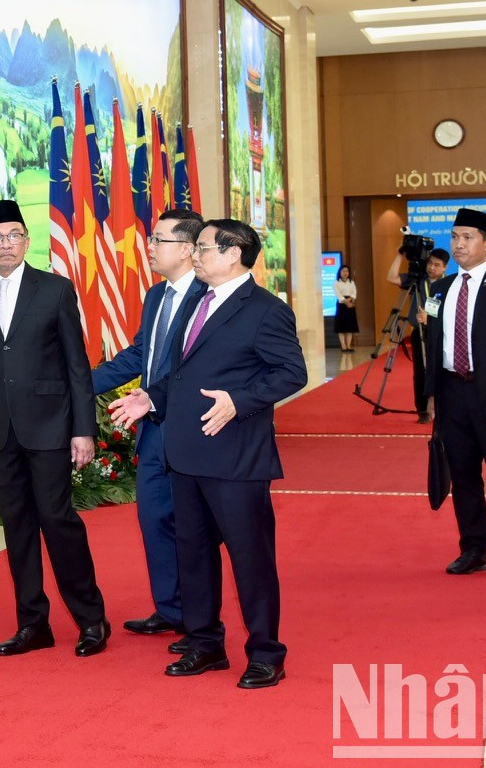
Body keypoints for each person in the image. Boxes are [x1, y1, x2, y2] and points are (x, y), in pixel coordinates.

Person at [110, 218, 307, 689]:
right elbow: (180, 372)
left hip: (236, 459)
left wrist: (240, 401)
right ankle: (205, 644)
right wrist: (151, 397)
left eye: (202, 247)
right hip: (185, 453)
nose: (194, 255)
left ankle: (265, 653)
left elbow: (291, 373)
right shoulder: (194, 302)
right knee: (193, 554)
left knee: (249, 558)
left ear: (234, 253)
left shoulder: (264, 309)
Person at [0, 200, 107, 658]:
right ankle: (33, 623)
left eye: (14, 235)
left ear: (26, 241)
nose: (6, 244)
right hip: (0, 432)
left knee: (57, 521)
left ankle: (91, 619)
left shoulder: (55, 291)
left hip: (49, 426)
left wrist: (84, 429)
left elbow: (77, 367)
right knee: (17, 526)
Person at [89, 208, 207, 646]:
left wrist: (153, 396)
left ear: (189, 249)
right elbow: (139, 355)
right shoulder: (157, 296)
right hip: (154, 429)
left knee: (192, 528)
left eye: (158, 240)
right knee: (154, 520)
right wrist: (77, 386)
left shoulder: (207, 298)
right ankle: (170, 608)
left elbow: (193, 370)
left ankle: (198, 620)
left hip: (194, 430)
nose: (150, 248)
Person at [422, 209, 486, 579]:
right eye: (454, 236)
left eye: (467, 237)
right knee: (464, 476)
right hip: (452, 394)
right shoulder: (440, 288)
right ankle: (473, 549)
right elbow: (432, 344)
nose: (458, 244)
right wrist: (430, 394)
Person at [386, 246, 447, 421]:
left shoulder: (449, 283)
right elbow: (391, 277)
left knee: (442, 371)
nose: (432, 268)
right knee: (420, 372)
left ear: (444, 267)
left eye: (437, 265)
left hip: (440, 332)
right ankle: (422, 411)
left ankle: (440, 407)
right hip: (419, 331)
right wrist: (399, 254)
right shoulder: (419, 280)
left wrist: (432, 318)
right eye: (430, 263)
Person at [333, 265, 358, 352]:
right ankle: (343, 346)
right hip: (341, 305)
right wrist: (346, 302)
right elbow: (338, 294)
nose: (345, 273)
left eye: (347, 271)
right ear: (340, 272)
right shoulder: (336, 282)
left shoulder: (351, 282)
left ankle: (349, 346)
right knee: (341, 326)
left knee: (350, 326)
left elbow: (354, 293)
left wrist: (350, 300)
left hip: (350, 305)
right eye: (343, 271)